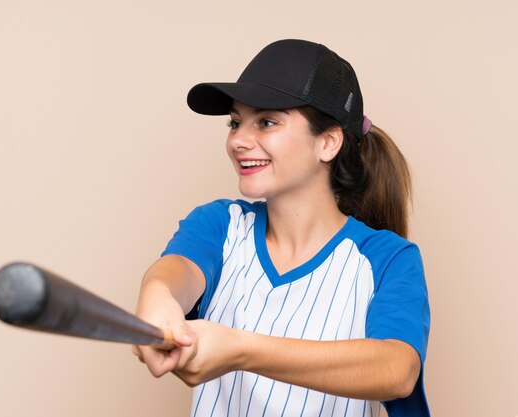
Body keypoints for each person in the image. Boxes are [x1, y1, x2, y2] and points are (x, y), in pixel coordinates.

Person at [132, 39, 431, 417]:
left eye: (267, 121)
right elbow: (176, 272)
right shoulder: (221, 224)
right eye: (235, 122)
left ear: (327, 142)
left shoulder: (387, 258)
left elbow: (396, 370)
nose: (238, 141)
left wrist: (242, 350)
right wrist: (158, 298)